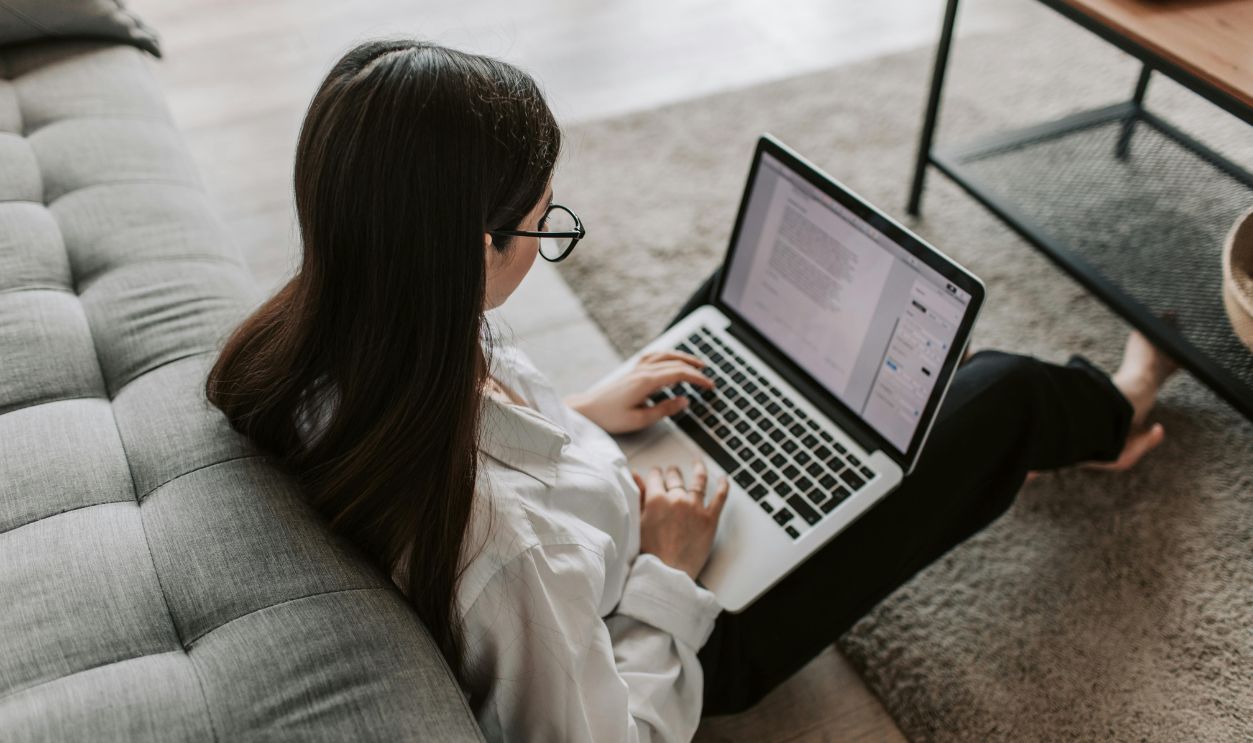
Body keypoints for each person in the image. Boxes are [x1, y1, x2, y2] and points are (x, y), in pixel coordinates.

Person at [206, 39, 1178, 742]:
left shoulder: (336, 335)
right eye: (543, 226)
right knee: (1001, 393)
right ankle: (1117, 406)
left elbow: (483, 447)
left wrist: (579, 415)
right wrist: (669, 570)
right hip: (683, 626)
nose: (547, 239)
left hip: (607, 510)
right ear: (472, 248)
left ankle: (903, 422)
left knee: (737, 310)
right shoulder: (505, 555)